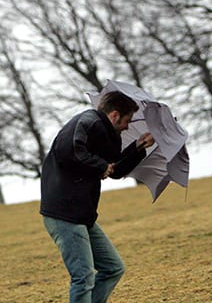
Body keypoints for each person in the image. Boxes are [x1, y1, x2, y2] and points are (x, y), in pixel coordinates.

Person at [40, 91, 155, 303]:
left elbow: (115, 169)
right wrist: (100, 166)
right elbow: (68, 150)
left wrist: (138, 146)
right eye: (127, 121)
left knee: (113, 268)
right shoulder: (86, 121)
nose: (127, 126)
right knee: (83, 277)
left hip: (82, 214)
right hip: (64, 214)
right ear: (114, 115)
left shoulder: (104, 132)